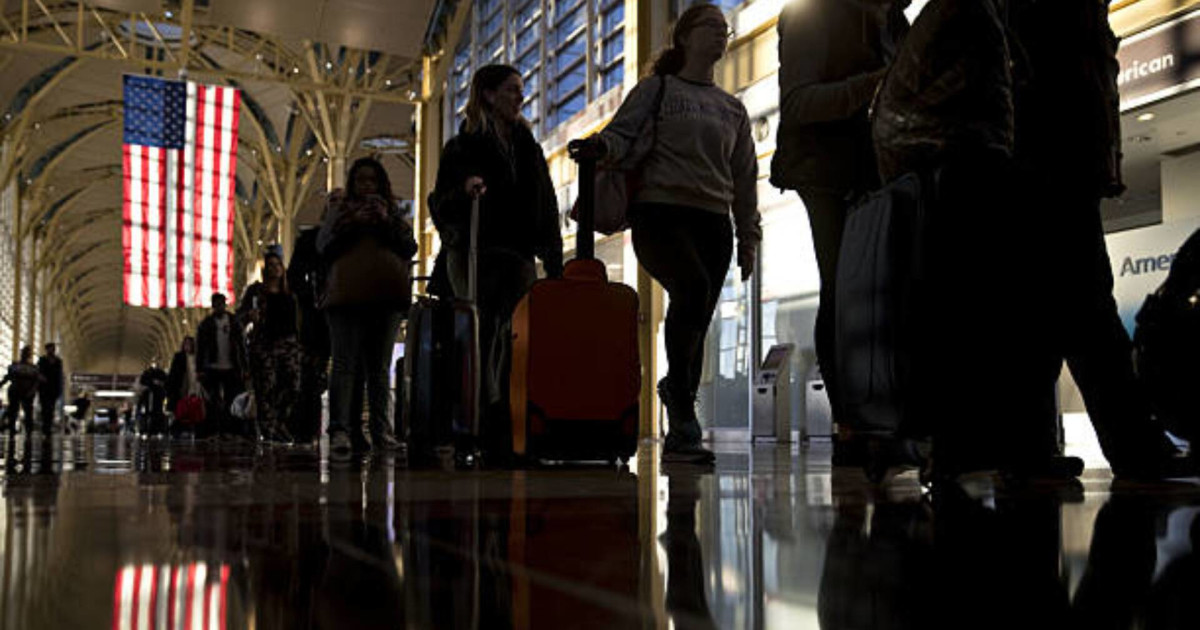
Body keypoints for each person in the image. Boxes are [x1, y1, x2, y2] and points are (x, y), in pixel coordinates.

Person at [1006, 0, 1190, 478]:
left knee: (1048, 315)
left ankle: (1029, 449)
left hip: (1052, 158)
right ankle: (1131, 442)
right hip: (1053, 158)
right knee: (1087, 306)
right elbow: (1065, 75)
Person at [571, 3, 761, 464]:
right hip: (660, 213)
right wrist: (600, 147)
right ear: (685, 35)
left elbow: (744, 177)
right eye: (710, 27)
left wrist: (748, 236)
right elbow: (622, 133)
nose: (720, 34)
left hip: (713, 221)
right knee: (692, 289)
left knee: (697, 318)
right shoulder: (657, 89)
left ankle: (681, 424)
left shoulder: (732, 109)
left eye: (724, 29)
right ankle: (679, 398)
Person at [771, 0, 909, 462]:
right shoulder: (816, 12)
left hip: (879, 167)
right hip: (825, 169)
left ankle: (881, 413)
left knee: (882, 289)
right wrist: (875, 84)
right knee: (843, 286)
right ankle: (850, 420)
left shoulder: (894, 20)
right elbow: (798, 103)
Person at [429, 63, 564, 455]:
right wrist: (464, 189)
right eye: (512, 89)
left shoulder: (528, 147)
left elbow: (545, 204)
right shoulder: (463, 146)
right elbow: (440, 204)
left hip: (517, 254)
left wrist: (552, 258)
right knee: (481, 333)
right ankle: (477, 419)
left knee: (513, 336)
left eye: (521, 89)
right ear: (488, 95)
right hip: (476, 252)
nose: (520, 97)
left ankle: (503, 416)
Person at [318, 157, 417, 455]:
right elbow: (324, 248)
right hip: (346, 297)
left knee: (379, 369)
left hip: (385, 298)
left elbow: (409, 247)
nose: (367, 186)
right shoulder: (340, 212)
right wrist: (352, 223)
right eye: (361, 179)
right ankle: (340, 430)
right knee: (344, 365)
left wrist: (385, 221)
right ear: (352, 183)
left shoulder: (393, 213)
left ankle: (381, 431)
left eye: (372, 180)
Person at [239, 248, 302, 443]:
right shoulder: (255, 291)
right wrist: (249, 316)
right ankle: (268, 429)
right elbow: (239, 317)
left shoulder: (290, 293)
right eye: (271, 265)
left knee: (293, 385)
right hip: (264, 344)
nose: (275, 269)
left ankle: (279, 422)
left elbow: (299, 320)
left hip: (288, 344)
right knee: (266, 387)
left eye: (278, 265)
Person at [288, 222, 332, 444]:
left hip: (333, 314)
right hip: (318, 320)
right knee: (313, 375)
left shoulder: (355, 232)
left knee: (317, 375)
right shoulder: (311, 240)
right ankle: (308, 429)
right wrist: (310, 298)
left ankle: (310, 429)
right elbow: (294, 277)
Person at [195, 292, 247, 437]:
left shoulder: (234, 322)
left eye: (222, 304)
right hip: (211, 367)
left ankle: (229, 430)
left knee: (231, 399)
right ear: (213, 306)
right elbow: (200, 348)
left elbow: (241, 346)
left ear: (225, 304)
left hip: (231, 367)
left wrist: (244, 367)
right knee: (213, 401)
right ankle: (213, 430)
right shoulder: (205, 324)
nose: (219, 307)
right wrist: (199, 369)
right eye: (217, 304)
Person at [1, 346, 42, 433]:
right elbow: (8, 377)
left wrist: (32, 390)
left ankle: (27, 430)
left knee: (26, 412)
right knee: (15, 411)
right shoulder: (18, 366)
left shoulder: (31, 368)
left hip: (25, 392)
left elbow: (36, 381)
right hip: (17, 391)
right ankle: (14, 429)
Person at [166, 336, 200, 417]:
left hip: (196, 386)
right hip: (182, 387)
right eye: (186, 344)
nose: (188, 346)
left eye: (190, 344)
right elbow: (173, 374)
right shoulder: (178, 357)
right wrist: (170, 390)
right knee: (182, 409)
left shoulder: (198, 357)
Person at [36, 342, 64, 434]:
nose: (52, 350)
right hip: (43, 388)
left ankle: (47, 426)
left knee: (51, 408)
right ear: (47, 349)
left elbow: (60, 376)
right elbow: (38, 372)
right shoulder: (42, 360)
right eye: (50, 348)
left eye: (53, 348)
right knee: (44, 408)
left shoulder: (58, 361)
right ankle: (46, 426)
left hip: (53, 389)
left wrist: (59, 390)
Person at [137, 360, 169, 435]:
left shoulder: (155, 373)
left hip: (156, 395)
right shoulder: (149, 373)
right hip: (152, 394)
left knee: (156, 411)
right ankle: (150, 428)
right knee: (151, 411)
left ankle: (153, 428)